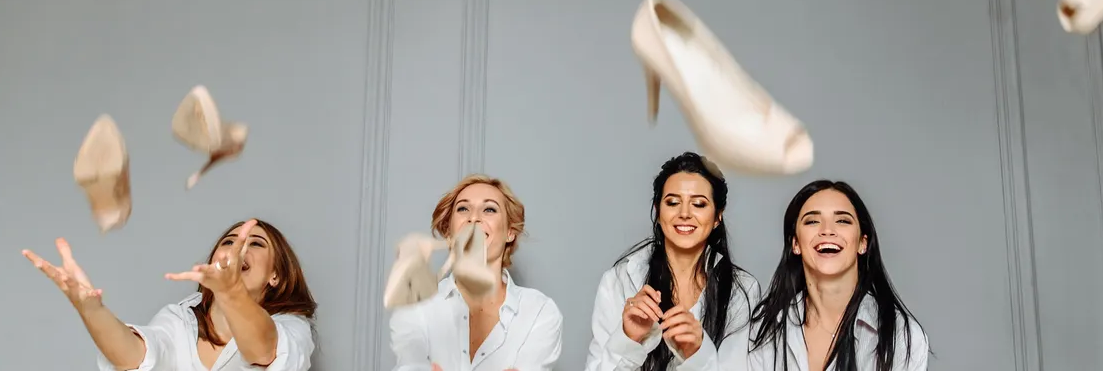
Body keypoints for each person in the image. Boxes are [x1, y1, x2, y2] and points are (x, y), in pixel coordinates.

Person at [23, 218, 318, 371]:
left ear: (275, 275)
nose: (237, 248)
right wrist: (90, 309)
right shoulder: (180, 319)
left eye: (255, 244)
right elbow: (136, 357)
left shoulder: (293, 327)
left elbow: (267, 351)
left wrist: (232, 293)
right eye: (228, 241)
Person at [585, 151, 760, 371]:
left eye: (698, 204)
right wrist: (628, 339)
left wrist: (698, 352)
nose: (684, 213)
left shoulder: (742, 289)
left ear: (717, 216)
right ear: (658, 212)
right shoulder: (618, 281)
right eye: (673, 202)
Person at [748, 180, 928, 371]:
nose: (827, 230)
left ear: (862, 243)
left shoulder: (901, 335)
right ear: (796, 244)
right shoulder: (764, 330)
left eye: (842, 221)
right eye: (812, 221)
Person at [389, 174, 563, 371]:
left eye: (489, 209)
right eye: (463, 208)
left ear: (510, 232)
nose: (474, 217)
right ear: (448, 231)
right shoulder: (416, 307)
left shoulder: (539, 312)